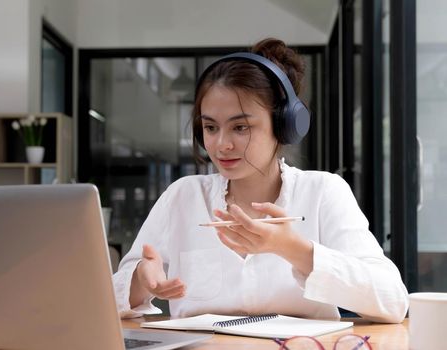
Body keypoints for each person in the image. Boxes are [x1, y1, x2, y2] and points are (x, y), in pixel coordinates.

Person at [112, 38, 408, 323]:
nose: (221, 144)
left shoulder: (323, 192)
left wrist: (294, 249)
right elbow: (105, 300)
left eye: (240, 127)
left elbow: (392, 300)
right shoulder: (182, 196)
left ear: (284, 125)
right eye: (211, 127)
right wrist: (140, 279)